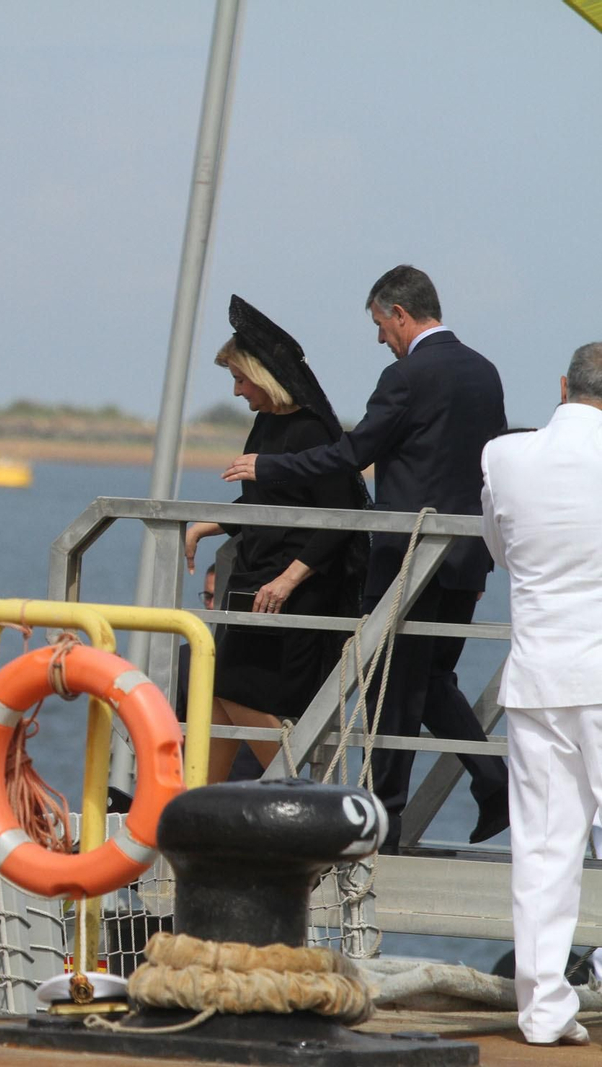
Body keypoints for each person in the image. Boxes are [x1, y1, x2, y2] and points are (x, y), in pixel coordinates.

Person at [223, 266, 509, 847]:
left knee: (391, 687)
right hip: (463, 560)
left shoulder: (404, 377)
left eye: (381, 325)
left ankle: (401, 811)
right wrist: (483, 557)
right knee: (426, 681)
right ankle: (471, 789)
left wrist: (267, 467)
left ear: (400, 314)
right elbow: (490, 466)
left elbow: (352, 455)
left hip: (408, 558)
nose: (381, 339)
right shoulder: (484, 372)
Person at [187, 297, 368, 783]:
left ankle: (309, 800)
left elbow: (342, 515)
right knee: (218, 696)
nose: (237, 390)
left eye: (240, 379)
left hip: (298, 588)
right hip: (256, 580)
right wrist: (210, 524)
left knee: (236, 692)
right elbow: (265, 500)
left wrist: (288, 580)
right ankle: (202, 802)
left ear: (263, 377)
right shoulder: (266, 423)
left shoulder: (310, 430)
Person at [480, 342, 602, 1048]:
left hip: (538, 678)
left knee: (544, 851)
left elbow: (500, 546)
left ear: (562, 385)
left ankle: (544, 1008)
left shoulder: (505, 456)